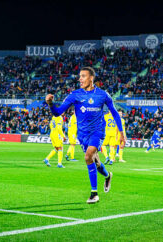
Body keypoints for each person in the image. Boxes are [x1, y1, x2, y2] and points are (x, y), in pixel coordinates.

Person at [46, 66, 125, 204]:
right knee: (95, 161)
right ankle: (107, 175)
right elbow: (57, 113)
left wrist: (122, 133)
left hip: (98, 132)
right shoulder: (75, 95)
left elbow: (114, 113)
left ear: (91, 78)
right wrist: (51, 104)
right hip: (82, 135)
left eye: (83, 76)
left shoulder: (103, 95)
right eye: (79, 76)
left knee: (88, 156)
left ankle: (94, 193)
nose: (80, 79)